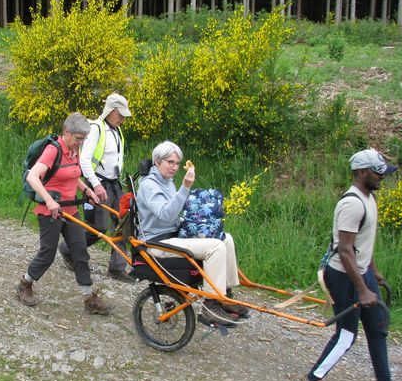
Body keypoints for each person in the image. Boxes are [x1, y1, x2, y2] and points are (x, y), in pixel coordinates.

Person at [297, 149, 402, 381]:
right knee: (347, 335)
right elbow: (345, 250)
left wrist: (373, 269)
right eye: (378, 172)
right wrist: (362, 289)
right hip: (344, 277)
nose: (383, 177)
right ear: (362, 172)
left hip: (361, 273)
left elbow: (361, 244)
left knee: (378, 326)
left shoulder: (368, 198)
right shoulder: (351, 204)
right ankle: (311, 380)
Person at [135, 141, 246, 326]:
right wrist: (185, 187)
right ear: (157, 161)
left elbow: (175, 214)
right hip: (156, 243)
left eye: (177, 163)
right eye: (170, 162)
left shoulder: (167, 182)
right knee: (215, 247)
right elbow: (165, 214)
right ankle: (210, 306)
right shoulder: (149, 185)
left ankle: (224, 295)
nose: (175, 167)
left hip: (174, 235)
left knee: (225, 239)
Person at [17, 112, 112, 315]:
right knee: (47, 254)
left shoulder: (74, 150)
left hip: (70, 211)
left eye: (83, 139)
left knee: (80, 252)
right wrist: (50, 201)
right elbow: (33, 176)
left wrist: (87, 191)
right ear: (67, 132)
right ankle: (25, 284)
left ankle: (89, 299)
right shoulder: (53, 150)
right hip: (49, 212)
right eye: (79, 138)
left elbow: (73, 176)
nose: (81, 142)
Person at [59, 93, 133, 283]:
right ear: (110, 111)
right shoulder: (96, 129)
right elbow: (83, 161)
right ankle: (68, 249)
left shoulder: (116, 130)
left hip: (115, 184)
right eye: (120, 114)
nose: (123, 118)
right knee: (98, 226)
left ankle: (117, 267)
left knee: (123, 223)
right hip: (98, 183)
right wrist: (96, 185)